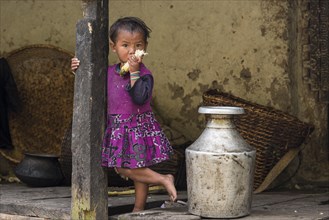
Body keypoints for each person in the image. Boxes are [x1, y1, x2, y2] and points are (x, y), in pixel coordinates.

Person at [71, 16, 177, 212]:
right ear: (114, 47)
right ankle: (162, 180)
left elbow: (139, 98)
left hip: (138, 128)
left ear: (145, 47)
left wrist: (134, 72)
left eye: (137, 45)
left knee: (132, 167)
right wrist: (79, 68)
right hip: (119, 128)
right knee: (128, 168)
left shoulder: (145, 75)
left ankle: (138, 208)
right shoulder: (108, 72)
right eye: (125, 45)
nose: (131, 51)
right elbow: (91, 85)